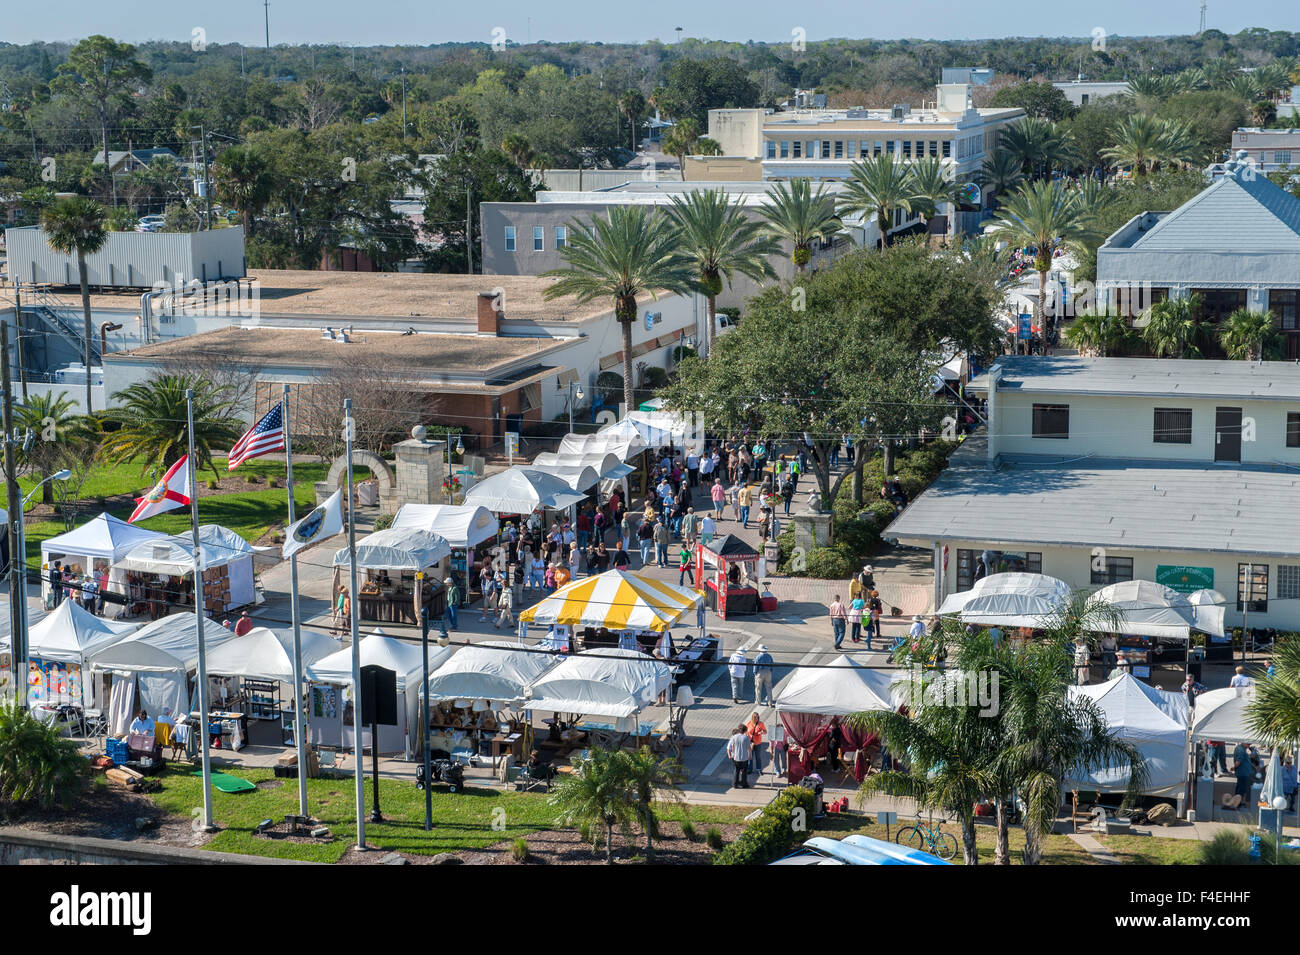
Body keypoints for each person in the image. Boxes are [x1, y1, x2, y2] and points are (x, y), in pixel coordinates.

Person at [727, 724, 753, 789]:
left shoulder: (734, 737)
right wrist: (750, 755)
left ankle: (735, 784)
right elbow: (749, 748)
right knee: (744, 771)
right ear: (745, 730)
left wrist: (734, 753)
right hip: (744, 757)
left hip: (736, 757)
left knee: (736, 771)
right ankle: (744, 784)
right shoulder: (746, 737)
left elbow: (732, 746)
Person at [1230, 741, 1255, 808]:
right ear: (1244, 742)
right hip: (1243, 773)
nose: (1249, 745)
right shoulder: (1240, 750)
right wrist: (1233, 767)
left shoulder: (1241, 749)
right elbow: (1238, 761)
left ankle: (1238, 802)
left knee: (1240, 788)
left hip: (1244, 772)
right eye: (1248, 744)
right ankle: (1237, 804)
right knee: (1241, 789)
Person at [746, 712, 767, 777]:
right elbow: (745, 731)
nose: (756, 718)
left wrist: (762, 732)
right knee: (750, 757)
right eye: (755, 717)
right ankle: (750, 769)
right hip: (750, 743)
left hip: (757, 743)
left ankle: (759, 769)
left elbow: (765, 731)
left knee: (758, 757)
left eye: (757, 717)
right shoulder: (749, 723)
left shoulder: (761, 724)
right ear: (752, 717)